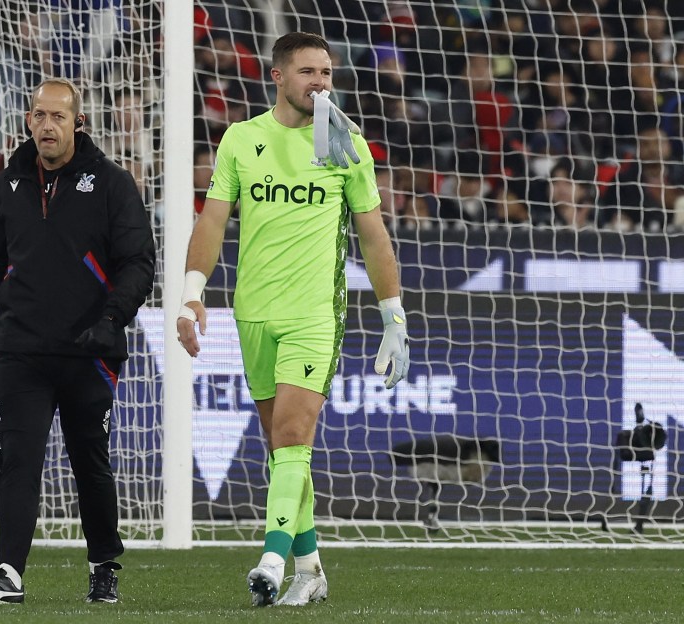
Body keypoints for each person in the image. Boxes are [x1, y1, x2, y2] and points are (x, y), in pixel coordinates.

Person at [176, 32, 410, 608]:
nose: (321, 82)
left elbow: (374, 236)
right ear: (277, 76)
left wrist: (393, 315)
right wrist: (191, 294)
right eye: (308, 72)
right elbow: (211, 222)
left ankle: (272, 559)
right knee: (281, 452)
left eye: (326, 72)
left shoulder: (348, 144)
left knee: (291, 438)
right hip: (253, 314)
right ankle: (311, 568)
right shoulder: (242, 138)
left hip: (314, 313)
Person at [0, 77, 155, 605]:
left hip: (90, 350)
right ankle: (8, 573)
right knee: (19, 456)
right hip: (21, 348)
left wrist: (111, 320)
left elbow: (139, 263)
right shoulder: (6, 184)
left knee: (89, 458)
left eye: (59, 117)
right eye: (40, 116)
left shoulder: (111, 184)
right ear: (28, 121)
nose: (48, 125)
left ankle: (103, 564)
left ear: (78, 123)